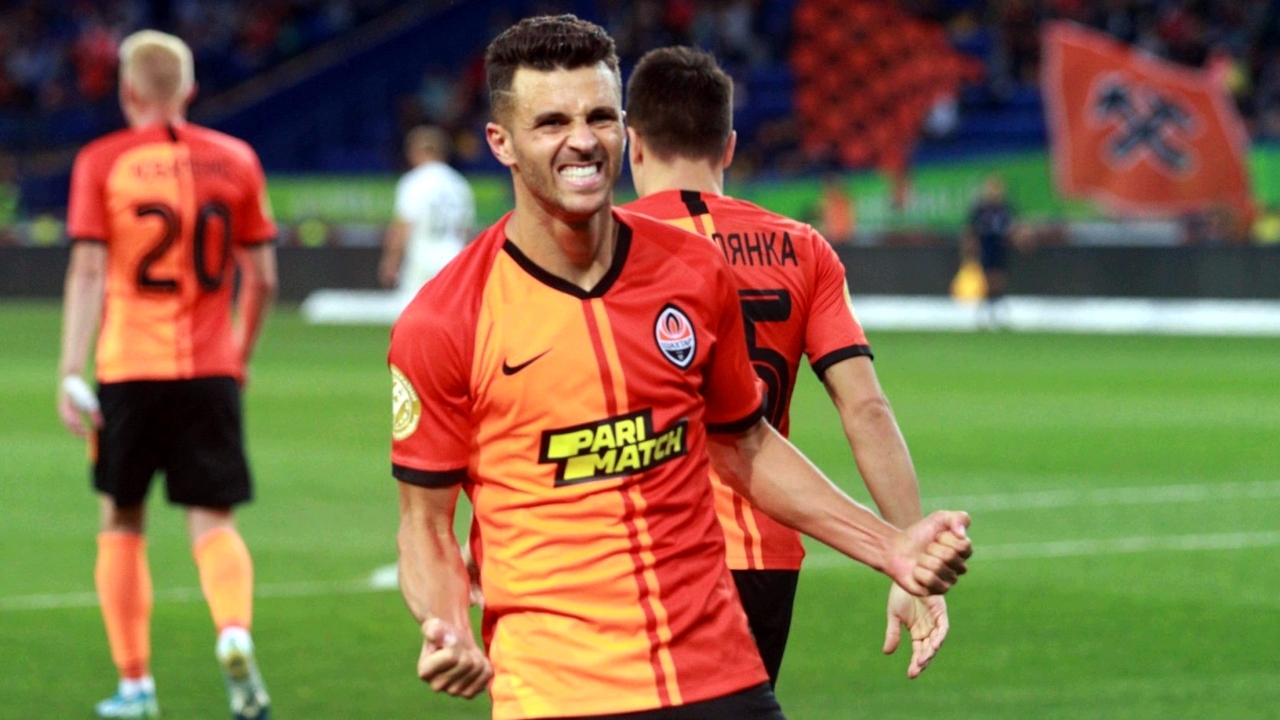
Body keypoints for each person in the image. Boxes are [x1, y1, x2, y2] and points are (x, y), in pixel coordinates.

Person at [390, 15, 971, 720]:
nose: (583, 140)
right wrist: (449, 625)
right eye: (552, 122)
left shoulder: (694, 270)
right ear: (501, 142)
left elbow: (745, 444)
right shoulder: (444, 319)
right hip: (559, 689)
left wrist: (893, 546)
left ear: (626, 130)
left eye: (600, 116)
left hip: (718, 675)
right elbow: (425, 526)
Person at [622, 45, 946, 686]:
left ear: (633, 144)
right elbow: (867, 408)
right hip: (767, 557)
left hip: (648, 549)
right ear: (729, 147)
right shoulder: (803, 247)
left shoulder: (606, 245)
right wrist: (910, 552)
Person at [56, 29, 276, 720]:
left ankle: (136, 685)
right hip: (210, 369)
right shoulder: (236, 158)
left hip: (129, 369)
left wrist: (69, 368)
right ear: (189, 90)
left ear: (126, 91)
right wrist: (238, 355)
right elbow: (262, 277)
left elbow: (88, 269)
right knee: (213, 520)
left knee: (122, 518)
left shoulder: (103, 161)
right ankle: (233, 631)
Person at [377, 124, 475, 297]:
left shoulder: (414, 181)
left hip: (421, 261)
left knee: (415, 311)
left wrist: (391, 262)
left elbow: (403, 226)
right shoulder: (460, 184)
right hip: (453, 259)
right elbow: (466, 232)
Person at [962, 174, 1017, 328]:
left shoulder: (1005, 209)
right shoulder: (980, 209)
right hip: (985, 245)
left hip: (1000, 245)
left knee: (999, 278)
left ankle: (997, 310)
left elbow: (1012, 227)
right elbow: (971, 230)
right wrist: (969, 247)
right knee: (986, 279)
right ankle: (985, 310)